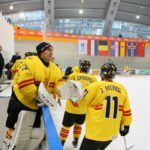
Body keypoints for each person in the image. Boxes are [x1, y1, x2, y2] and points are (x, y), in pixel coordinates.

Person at [3, 42, 64, 149]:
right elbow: (24, 84)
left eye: (52, 50)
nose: (51, 52)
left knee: (32, 127)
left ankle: (27, 146)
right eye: (48, 50)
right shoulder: (30, 62)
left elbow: (58, 85)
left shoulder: (55, 68)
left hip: (37, 103)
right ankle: (7, 142)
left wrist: (66, 90)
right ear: (41, 51)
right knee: (14, 124)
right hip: (20, 100)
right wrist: (37, 96)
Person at [79, 63, 133, 150]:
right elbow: (126, 111)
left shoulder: (95, 86)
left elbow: (80, 100)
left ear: (101, 73)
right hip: (112, 134)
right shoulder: (122, 88)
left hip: (95, 133)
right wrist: (126, 125)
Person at [59, 59, 97, 148]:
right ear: (88, 68)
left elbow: (65, 87)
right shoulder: (94, 79)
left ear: (80, 67)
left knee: (66, 127)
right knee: (78, 125)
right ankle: (76, 140)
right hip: (84, 110)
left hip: (71, 107)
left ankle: (61, 143)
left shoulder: (74, 75)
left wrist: (65, 76)